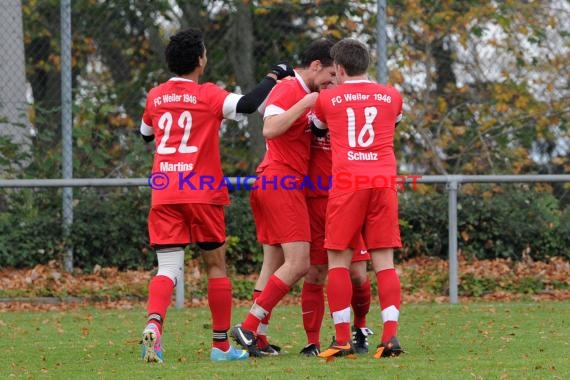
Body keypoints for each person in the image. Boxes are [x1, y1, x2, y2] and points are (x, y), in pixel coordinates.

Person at [138, 27, 294, 363]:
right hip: (201, 192)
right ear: (200, 60)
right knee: (216, 266)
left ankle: (154, 326)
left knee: (167, 267)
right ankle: (221, 346)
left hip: (164, 190)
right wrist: (275, 75)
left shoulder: (154, 96)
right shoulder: (207, 95)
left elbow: (144, 135)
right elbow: (251, 104)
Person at [230, 39, 337, 357]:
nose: (332, 80)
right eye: (330, 73)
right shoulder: (292, 89)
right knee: (299, 263)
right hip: (281, 181)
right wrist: (306, 104)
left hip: (274, 182)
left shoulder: (301, 91)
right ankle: (248, 326)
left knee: (272, 264)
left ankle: (259, 338)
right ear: (315, 66)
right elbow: (270, 128)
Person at [312, 38, 404, 359]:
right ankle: (389, 337)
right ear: (366, 64)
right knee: (384, 263)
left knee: (338, 260)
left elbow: (318, 129)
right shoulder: (391, 95)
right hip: (382, 179)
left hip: (348, 181)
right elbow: (392, 122)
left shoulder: (328, 98)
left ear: (338, 68)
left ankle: (341, 340)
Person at [299, 125, 374, 357]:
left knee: (357, 273)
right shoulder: (307, 107)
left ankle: (359, 328)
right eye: (323, 83)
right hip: (313, 201)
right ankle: (312, 342)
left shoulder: (346, 107)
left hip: (347, 196)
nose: (328, 85)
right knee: (315, 273)